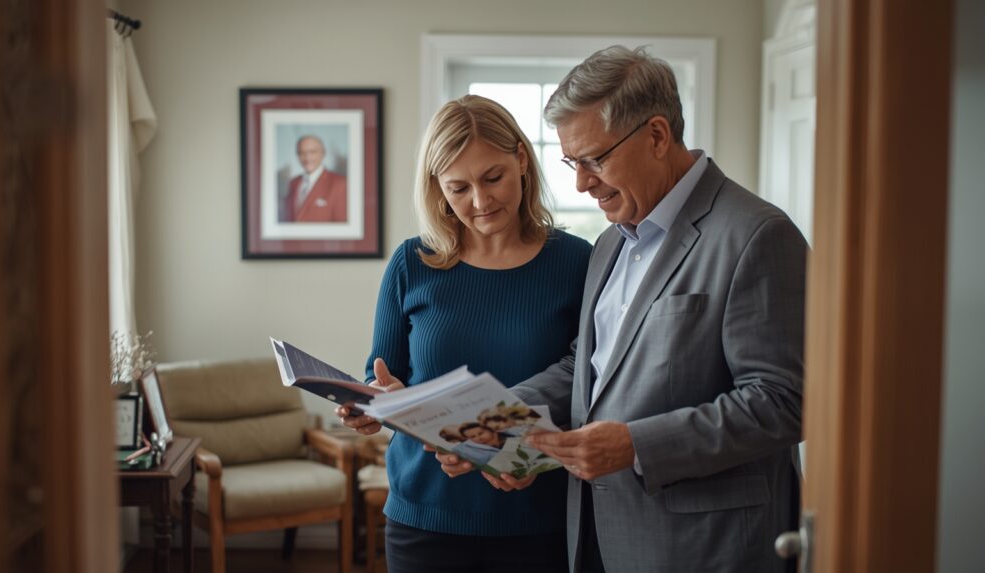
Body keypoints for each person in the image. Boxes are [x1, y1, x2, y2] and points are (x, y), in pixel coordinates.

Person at [439, 46, 807, 573]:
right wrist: (496, 420)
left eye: (595, 159)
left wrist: (636, 445)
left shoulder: (757, 235)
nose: (581, 183)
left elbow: (787, 402)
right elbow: (586, 370)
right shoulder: (612, 242)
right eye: (572, 162)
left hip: (708, 549)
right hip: (595, 537)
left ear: (657, 136)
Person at [335, 94, 593, 572]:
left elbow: (588, 387)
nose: (480, 201)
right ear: (437, 188)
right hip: (426, 517)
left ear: (521, 158)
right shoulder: (411, 264)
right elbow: (382, 372)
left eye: (493, 177)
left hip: (538, 518)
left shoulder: (578, 263)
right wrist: (376, 402)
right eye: (458, 188)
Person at [282, 134, 347, 222]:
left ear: (323, 153)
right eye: (302, 152)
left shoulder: (340, 183)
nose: (307, 157)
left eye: (312, 152)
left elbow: (343, 227)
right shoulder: (294, 183)